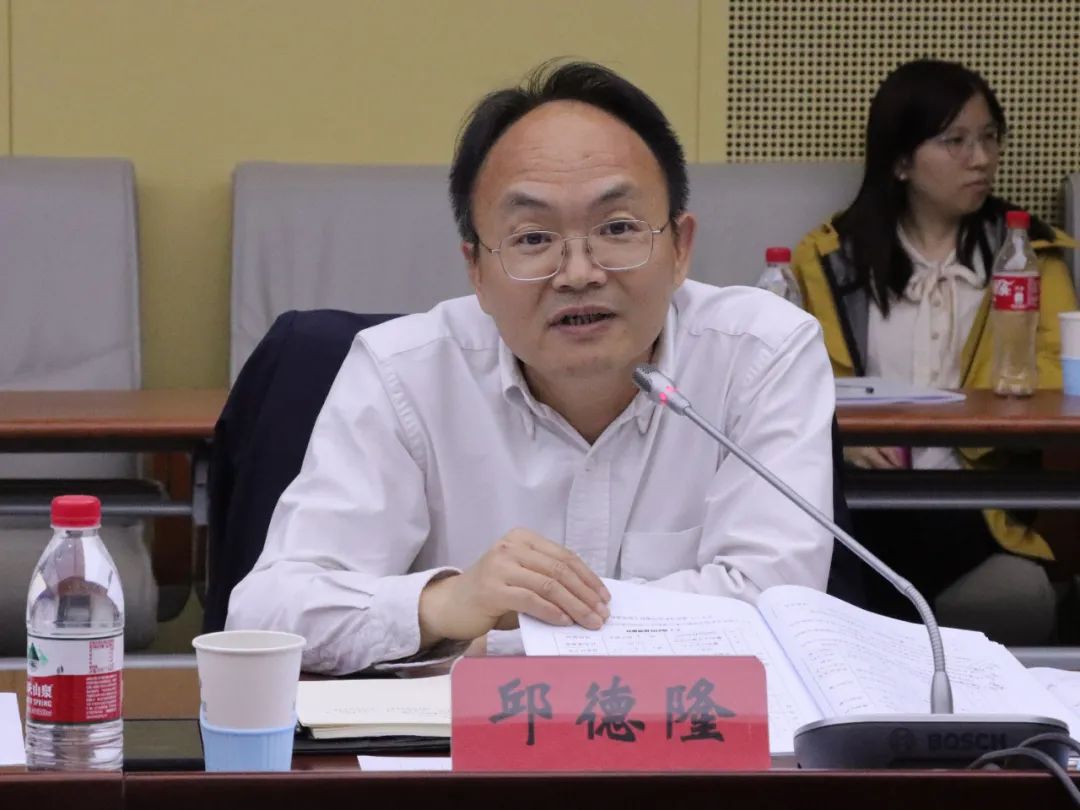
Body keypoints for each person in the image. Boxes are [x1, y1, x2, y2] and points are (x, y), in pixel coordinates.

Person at [227, 61, 836, 674]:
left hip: (692, 731)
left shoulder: (761, 355)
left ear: (679, 249)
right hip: (459, 737)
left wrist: (513, 632)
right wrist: (446, 603)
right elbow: (266, 614)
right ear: (476, 271)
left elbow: (774, 606)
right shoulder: (402, 373)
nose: (579, 273)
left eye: (617, 228)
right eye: (533, 239)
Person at [791, 59, 1078, 632]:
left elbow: (1055, 378)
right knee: (863, 524)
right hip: (864, 484)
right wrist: (843, 444)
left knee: (883, 544)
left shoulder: (1031, 255)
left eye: (989, 139)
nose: (981, 159)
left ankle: (875, 647)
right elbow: (802, 379)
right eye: (955, 141)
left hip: (980, 494)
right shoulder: (829, 259)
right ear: (901, 161)